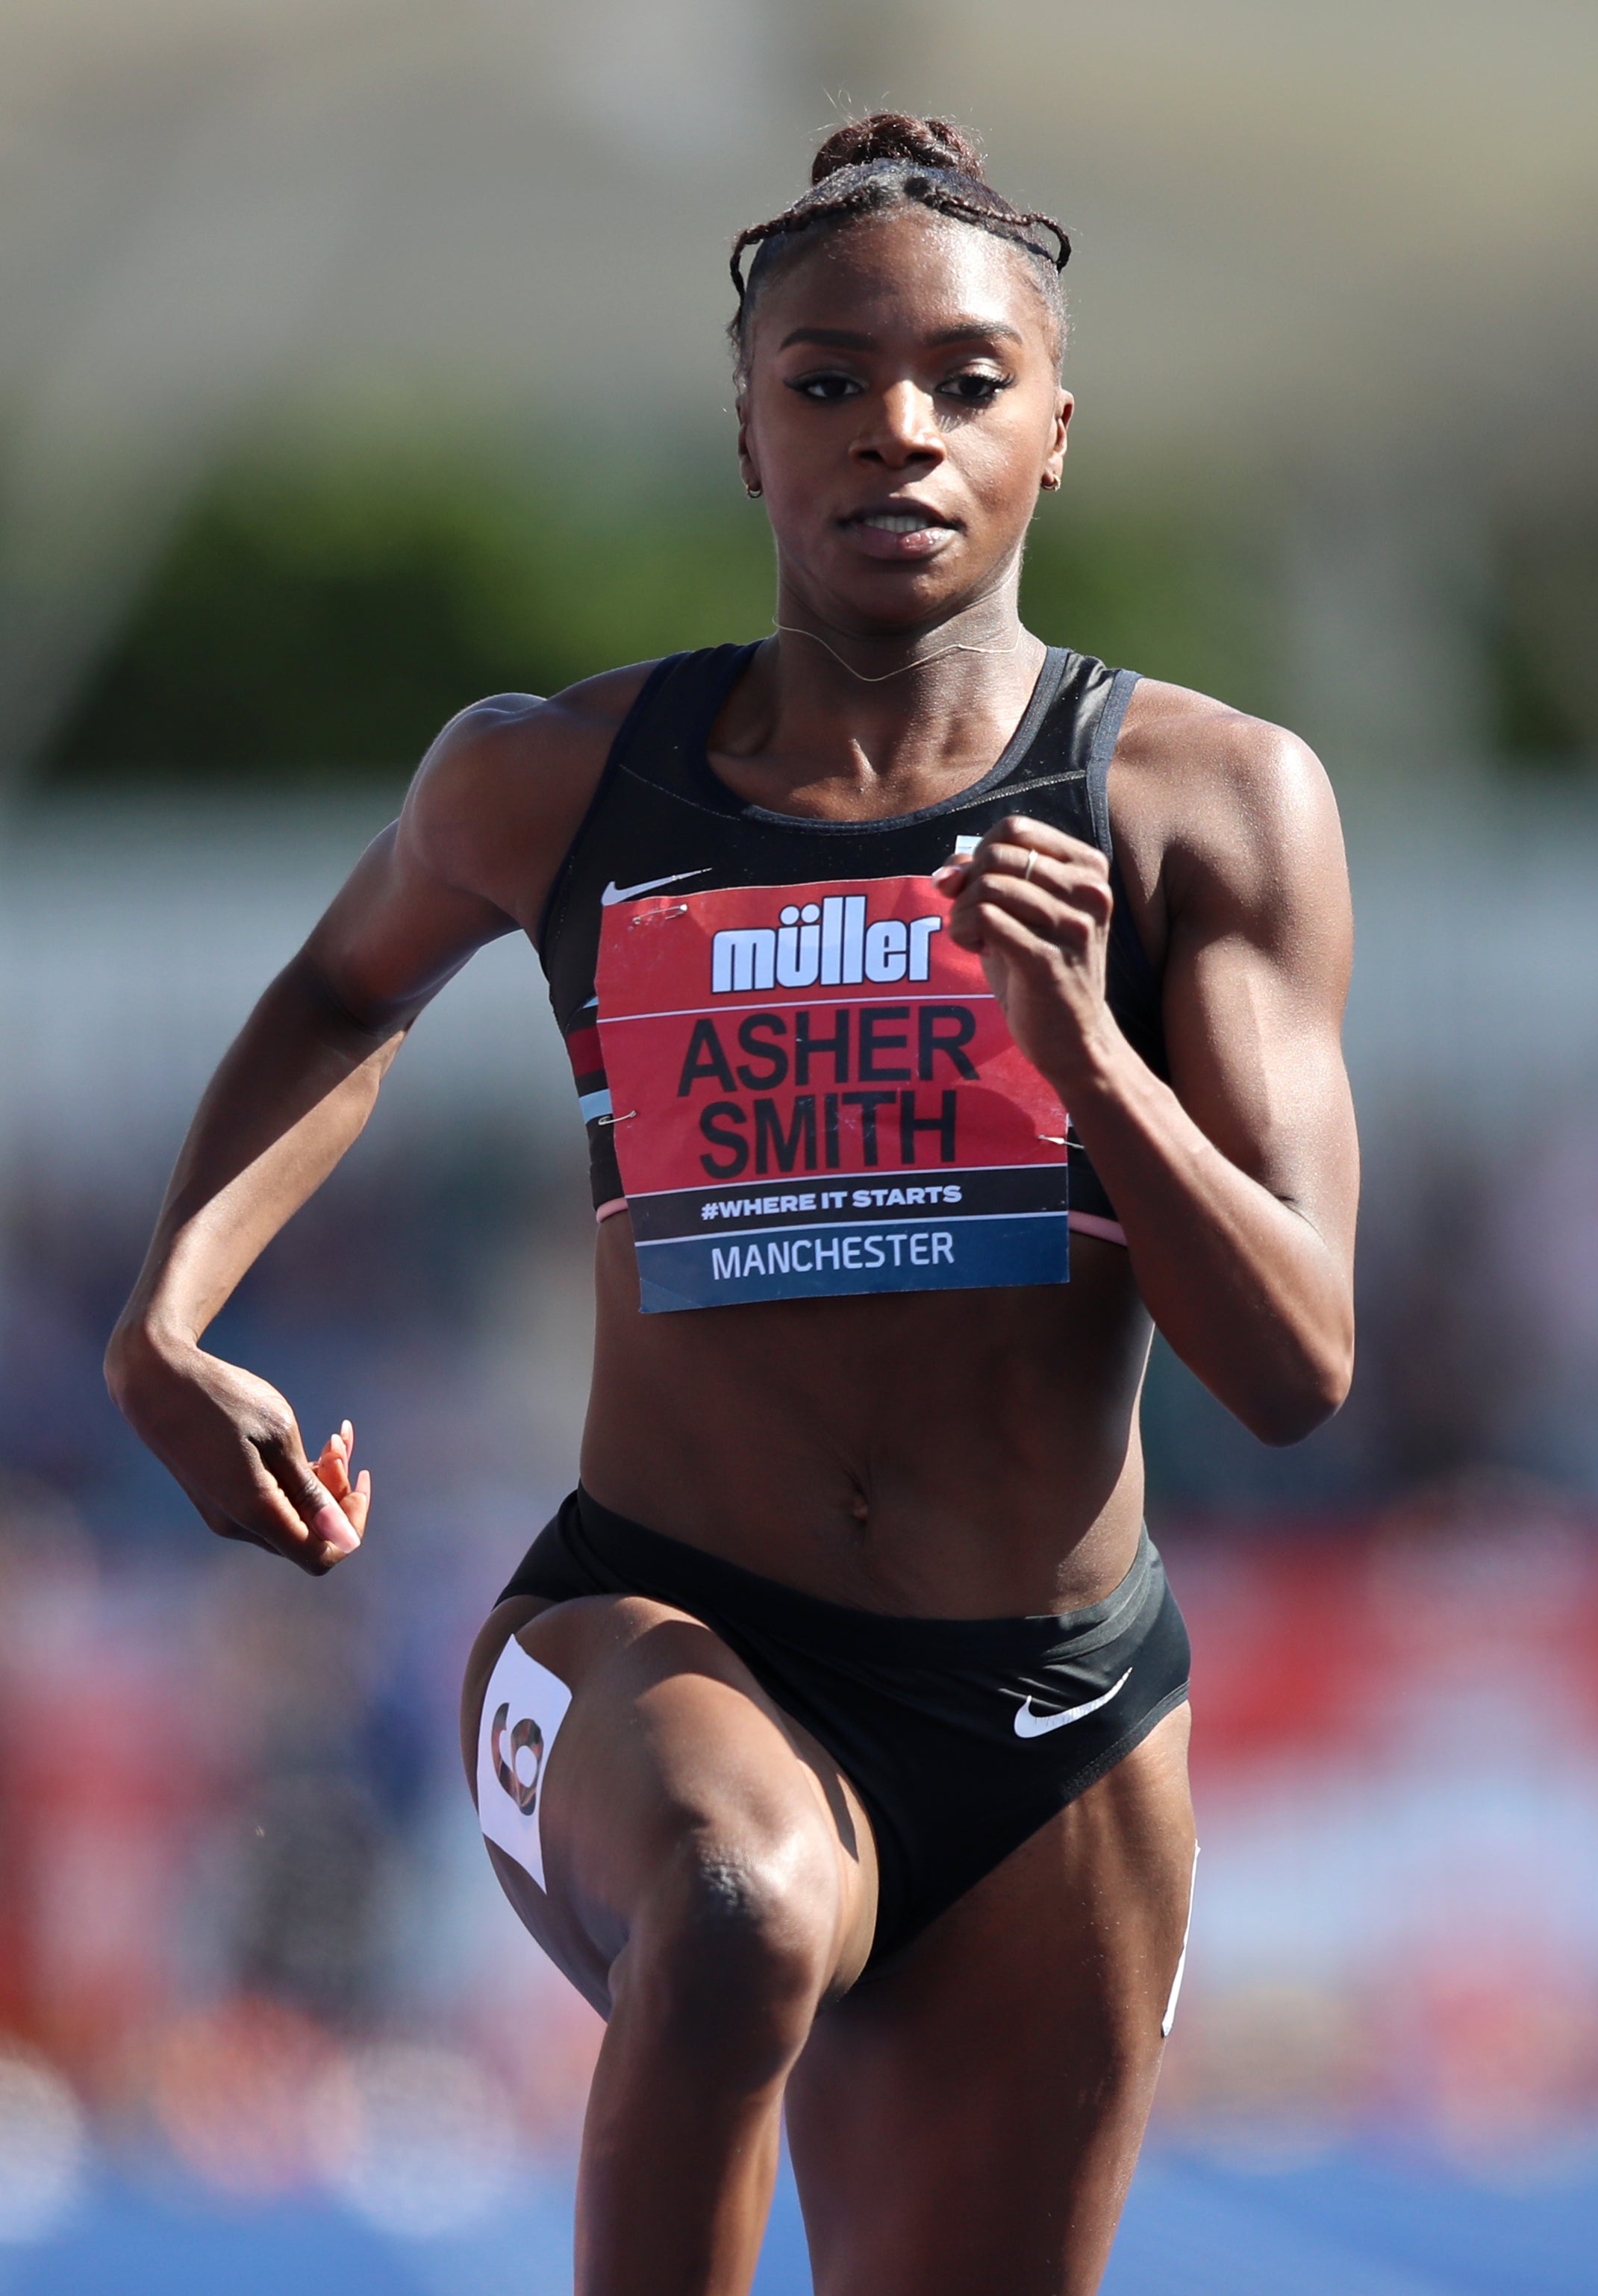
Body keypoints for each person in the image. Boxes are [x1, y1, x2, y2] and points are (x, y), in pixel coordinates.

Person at [107, 113, 1358, 2296]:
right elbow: (338, 986)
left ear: (1057, 428)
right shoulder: (555, 776)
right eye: (826, 381)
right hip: (653, 1643)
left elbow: (1294, 1370)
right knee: (735, 1903)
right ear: (748, 430)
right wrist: (170, 1321)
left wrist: (1090, 1069)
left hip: (1054, 1725)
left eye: (966, 381)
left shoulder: (1203, 806)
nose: (897, 428)